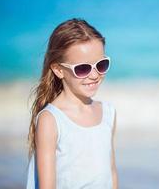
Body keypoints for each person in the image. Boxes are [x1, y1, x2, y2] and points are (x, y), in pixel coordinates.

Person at [26, 18, 118, 189]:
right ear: (59, 70)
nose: (94, 75)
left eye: (101, 64)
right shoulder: (51, 120)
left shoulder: (108, 113)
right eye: (83, 68)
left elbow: (111, 173)